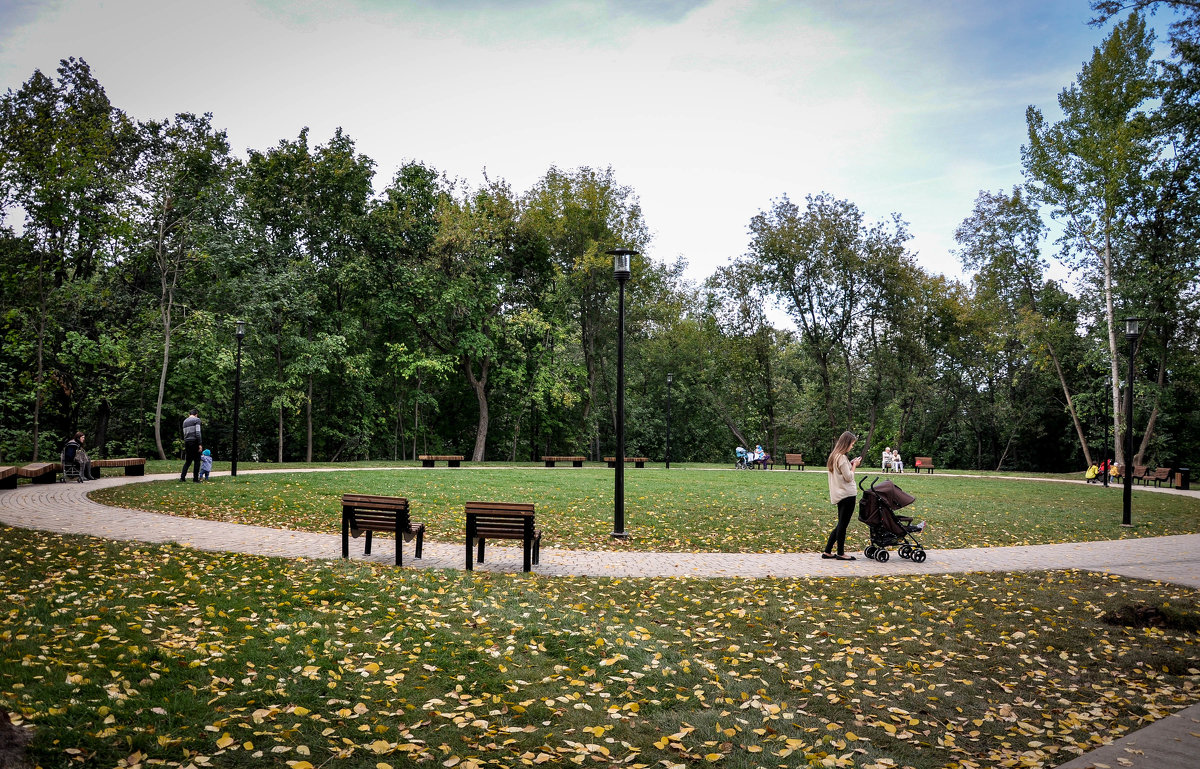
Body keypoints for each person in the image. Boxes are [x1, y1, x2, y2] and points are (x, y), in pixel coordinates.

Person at [823, 430, 862, 561]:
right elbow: (849, 477)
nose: (852, 447)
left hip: (839, 494)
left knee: (841, 523)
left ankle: (828, 551)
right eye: (851, 444)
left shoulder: (834, 456)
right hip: (847, 494)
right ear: (846, 443)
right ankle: (840, 552)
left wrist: (849, 465)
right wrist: (854, 466)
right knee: (842, 525)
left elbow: (841, 473)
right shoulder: (842, 457)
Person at [180, 408, 203, 482]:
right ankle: (195, 479)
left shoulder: (185, 421)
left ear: (189, 414)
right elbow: (198, 432)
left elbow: (184, 433)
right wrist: (199, 443)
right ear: (196, 414)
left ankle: (182, 477)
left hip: (187, 442)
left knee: (188, 461)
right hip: (194, 441)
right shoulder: (197, 420)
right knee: (197, 461)